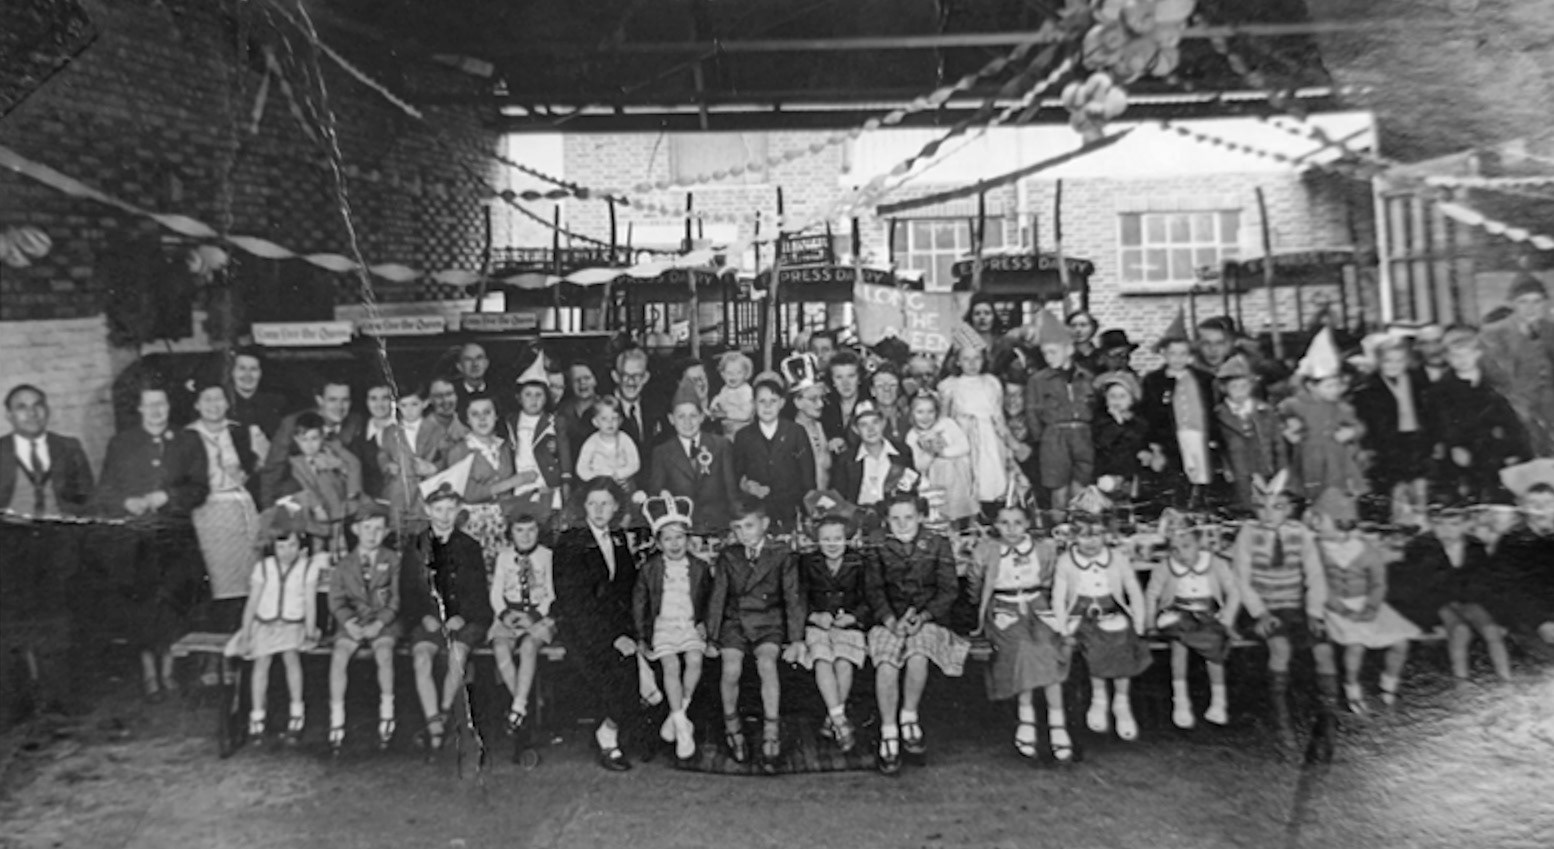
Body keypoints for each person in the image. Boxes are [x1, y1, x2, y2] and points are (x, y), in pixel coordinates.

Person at [92, 381, 210, 701]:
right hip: (136, 538)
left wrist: (166, 496)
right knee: (141, 603)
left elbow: (199, 488)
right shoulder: (122, 443)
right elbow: (106, 489)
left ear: (170, 407)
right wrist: (125, 502)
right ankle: (149, 674)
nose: (157, 411)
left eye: (163, 405)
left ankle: (169, 671)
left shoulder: (188, 440)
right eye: (150, 405)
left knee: (173, 602)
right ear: (139, 409)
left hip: (175, 536)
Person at [1, 384, 94, 717]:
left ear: (47, 409)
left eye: (38, 405)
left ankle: (60, 703)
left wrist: (71, 533)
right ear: (9, 415)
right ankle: (17, 705)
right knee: (11, 630)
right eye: (22, 407)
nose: (31, 412)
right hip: (10, 553)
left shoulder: (68, 448)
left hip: (58, 549)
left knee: (58, 626)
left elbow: (87, 499)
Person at [551, 478, 649, 771]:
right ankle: (607, 735)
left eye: (605, 503)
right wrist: (613, 638)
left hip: (614, 627)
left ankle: (633, 731)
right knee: (620, 666)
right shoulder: (571, 542)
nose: (598, 509)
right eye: (592, 503)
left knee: (647, 657)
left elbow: (626, 591)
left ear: (616, 507)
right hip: (582, 629)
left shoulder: (617, 539)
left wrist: (632, 633)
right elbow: (575, 602)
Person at [865, 494, 967, 775]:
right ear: (886, 521)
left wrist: (922, 617)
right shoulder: (877, 545)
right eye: (895, 519)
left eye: (908, 517)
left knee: (918, 656)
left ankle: (909, 716)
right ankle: (888, 731)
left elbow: (948, 591)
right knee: (886, 663)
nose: (902, 524)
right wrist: (889, 619)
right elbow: (873, 589)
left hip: (927, 618)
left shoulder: (938, 543)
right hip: (890, 620)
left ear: (921, 517)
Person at [1231, 470, 1332, 754]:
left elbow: (1315, 575)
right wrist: (1260, 613)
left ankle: (1328, 725)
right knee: (1281, 648)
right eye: (1262, 507)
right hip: (1263, 609)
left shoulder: (1301, 533)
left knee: (1323, 650)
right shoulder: (1249, 533)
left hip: (1296, 609)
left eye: (1277, 507)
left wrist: (1314, 612)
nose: (1268, 514)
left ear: (1291, 508)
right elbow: (1242, 577)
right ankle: (1283, 727)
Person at [970, 501, 1072, 762]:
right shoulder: (987, 550)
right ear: (995, 525)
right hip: (1003, 607)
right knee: (1023, 648)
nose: (1011, 529)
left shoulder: (1042, 549)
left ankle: (1057, 721)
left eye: (1017, 522)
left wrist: (1041, 605)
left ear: (1027, 524)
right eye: (1004, 523)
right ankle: (1027, 718)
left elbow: (1048, 580)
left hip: (1037, 604)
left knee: (1048, 647)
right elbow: (975, 584)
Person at [707, 500, 802, 770]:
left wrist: (795, 640)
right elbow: (718, 597)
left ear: (764, 524)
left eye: (749, 525)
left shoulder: (781, 554)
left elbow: (793, 598)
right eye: (737, 528)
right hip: (735, 622)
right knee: (731, 668)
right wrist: (712, 638)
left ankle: (772, 728)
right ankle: (732, 724)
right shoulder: (729, 555)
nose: (743, 533)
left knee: (767, 664)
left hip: (768, 623)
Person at [1051, 488, 1151, 742]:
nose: (1091, 542)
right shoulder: (1066, 561)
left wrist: (1139, 621)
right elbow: (1058, 598)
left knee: (1121, 637)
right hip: (1081, 616)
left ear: (1106, 533)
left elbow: (1133, 590)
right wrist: (1062, 628)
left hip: (1112, 612)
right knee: (1095, 644)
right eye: (1083, 536)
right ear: (1073, 535)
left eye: (1097, 535)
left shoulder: (1116, 558)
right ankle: (1099, 698)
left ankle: (1121, 701)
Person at [1309, 488, 1419, 714]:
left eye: (1320, 519)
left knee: (1401, 642)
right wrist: (1340, 609)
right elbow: (1319, 584)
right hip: (1335, 605)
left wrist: (1371, 607)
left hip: (1368, 602)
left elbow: (1379, 583)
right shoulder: (1316, 549)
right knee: (1355, 645)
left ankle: (1388, 687)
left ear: (1339, 522)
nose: (1315, 524)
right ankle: (1352, 690)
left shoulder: (1364, 550)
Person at [400, 484, 490, 752]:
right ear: (427, 510)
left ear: (458, 511)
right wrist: (423, 617)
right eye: (438, 509)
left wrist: (461, 616)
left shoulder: (469, 547)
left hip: (464, 621)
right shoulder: (415, 546)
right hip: (429, 620)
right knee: (422, 657)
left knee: (457, 655)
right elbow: (407, 591)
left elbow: (478, 591)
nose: (444, 515)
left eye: (450, 509)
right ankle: (434, 725)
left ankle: (443, 711)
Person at [230, 507, 320, 745]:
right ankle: (257, 717)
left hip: (293, 625)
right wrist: (247, 634)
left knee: (292, 658)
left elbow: (310, 602)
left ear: (300, 545)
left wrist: (310, 630)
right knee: (261, 662)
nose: (286, 552)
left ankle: (296, 713)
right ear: (273, 547)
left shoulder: (308, 567)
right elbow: (252, 604)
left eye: (291, 546)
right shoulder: (263, 568)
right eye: (281, 547)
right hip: (265, 624)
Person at [633, 493, 712, 761]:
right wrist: (642, 636)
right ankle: (682, 725)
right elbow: (640, 603)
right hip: (663, 626)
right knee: (670, 666)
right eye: (667, 539)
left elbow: (709, 599)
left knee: (694, 659)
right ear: (658, 542)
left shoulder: (700, 567)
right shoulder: (651, 568)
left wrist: (705, 624)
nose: (674, 544)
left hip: (689, 624)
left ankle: (675, 716)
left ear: (688, 539)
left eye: (679, 537)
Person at [1147, 510, 1240, 730]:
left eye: (1187, 545)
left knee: (1214, 645)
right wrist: (1150, 621)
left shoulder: (1215, 563)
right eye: (1175, 549)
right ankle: (1181, 701)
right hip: (1177, 613)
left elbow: (1233, 591)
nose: (1181, 554)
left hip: (1207, 614)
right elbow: (1152, 594)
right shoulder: (1165, 567)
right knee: (1179, 645)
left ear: (1199, 541)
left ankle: (1219, 700)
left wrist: (1226, 617)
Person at [1397, 504, 1508, 682]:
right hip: (1433, 604)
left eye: (1454, 524)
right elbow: (1418, 587)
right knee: (1460, 630)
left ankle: (1506, 679)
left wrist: (1471, 604)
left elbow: (1484, 581)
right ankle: (1461, 682)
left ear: (1465, 525)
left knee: (1491, 629)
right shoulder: (1421, 546)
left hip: (1467, 600)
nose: (1447, 530)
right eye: (1441, 524)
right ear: (1433, 524)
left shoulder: (1474, 545)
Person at [186, 379, 261, 639]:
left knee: (248, 579)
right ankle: (220, 650)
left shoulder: (242, 432)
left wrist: (247, 472)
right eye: (207, 400)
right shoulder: (186, 436)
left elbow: (263, 465)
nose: (214, 406)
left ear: (228, 403)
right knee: (219, 581)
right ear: (196, 404)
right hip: (208, 512)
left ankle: (247, 643)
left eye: (219, 399)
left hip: (241, 509)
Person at [325, 501, 399, 753]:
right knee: (339, 656)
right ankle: (337, 718)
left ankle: (387, 712)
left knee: (385, 654)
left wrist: (380, 623)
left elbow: (397, 599)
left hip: (383, 622)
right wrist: (349, 623)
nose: (372, 534)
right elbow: (336, 599)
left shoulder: (393, 560)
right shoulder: (345, 564)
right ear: (356, 530)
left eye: (378, 529)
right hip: (354, 623)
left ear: (387, 532)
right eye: (366, 528)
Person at [1430, 327, 1529, 504]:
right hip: (1462, 454)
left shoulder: (1493, 384)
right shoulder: (1440, 390)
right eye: (1456, 356)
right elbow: (1441, 423)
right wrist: (1454, 445)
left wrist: (1514, 450)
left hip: (1494, 452)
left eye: (1467, 354)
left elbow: (1511, 422)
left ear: (1477, 354)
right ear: (1448, 358)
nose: (1462, 360)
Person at [798, 514, 870, 753]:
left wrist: (854, 617)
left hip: (847, 625)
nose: (832, 544)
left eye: (837, 538)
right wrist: (814, 615)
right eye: (825, 539)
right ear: (816, 541)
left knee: (843, 662)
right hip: (818, 625)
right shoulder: (808, 563)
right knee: (821, 659)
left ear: (847, 539)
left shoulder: (858, 562)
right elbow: (798, 597)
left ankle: (833, 718)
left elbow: (870, 598)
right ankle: (840, 719)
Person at [1278, 330, 1366, 503]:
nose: (1336, 390)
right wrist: (1288, 429)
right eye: (1329, 386)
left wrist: (1352, 432)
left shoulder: (1341, 407)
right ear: (1311, 386)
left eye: (1337, 385)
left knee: (1335, 489)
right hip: (1307, 453)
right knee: (1310, 488)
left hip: (1334, 455)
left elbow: (1358, 426)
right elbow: (1278, 418)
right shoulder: (1295, 404)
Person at [1140, 314, 1217, 509]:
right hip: (1172, 436)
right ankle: (1178, 510)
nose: (1178, 359)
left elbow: (1210, 407)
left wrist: (1214, 435)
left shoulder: (1203, 378)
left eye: (1183, 354)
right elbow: (1150, 412)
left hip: (1198, 434)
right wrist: (1153, 441)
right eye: (1173, 353)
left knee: (1201, 474)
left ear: (1190, 355)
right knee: (1176, 475)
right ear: (1164, 354)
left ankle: (1199, 507)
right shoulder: (1154, 380)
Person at [488, 512, 556, 735]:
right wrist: (505, 614)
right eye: (519, 530)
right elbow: (496, 593)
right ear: (511, 533)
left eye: (531, 530)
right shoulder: (504, 557)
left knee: (528, 647)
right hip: (511, 612)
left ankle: (517, 708)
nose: (526, 536)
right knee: (500, 646)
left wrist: (534, 617)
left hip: (539, 614)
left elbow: (551, 594)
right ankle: (523, 705)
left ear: (539, 532)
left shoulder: (547, 556)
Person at [1024, 309, 1096, 514]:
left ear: (1070, 350)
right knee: (1059, 491)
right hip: (1054, 438)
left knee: (1081, 489)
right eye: (1045, 353)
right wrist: (1044, 438)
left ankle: (1078, 531)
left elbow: (1095, 407)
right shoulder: (1038, 380)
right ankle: (1059, 535)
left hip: (1084, 437)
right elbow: (1032, 414)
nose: (1048, 357)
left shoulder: (1087, 377)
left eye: (1053, 352)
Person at [1353, 337, 1432, 523]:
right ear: (1379, 362)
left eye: (1399, 360)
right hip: (1387, 447)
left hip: (1416, 443)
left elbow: (1429, 413)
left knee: (1419, 491)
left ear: (1407, 361)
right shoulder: (1367, 390)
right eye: (1388, 360)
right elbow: (1367, 426)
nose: (1393, 365)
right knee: (1394, 493)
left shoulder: (1418, 382)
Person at [647, 380, 739, 534]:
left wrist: (735, 526)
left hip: (719, 526)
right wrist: (662, 493)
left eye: (693, 416)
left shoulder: (721, 445)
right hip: (683, 531)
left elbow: (732, 491)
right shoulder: (662, 452)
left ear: (702, 417)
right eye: (681, 416)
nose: (687, 422)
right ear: (671, 419)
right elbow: (655, 492)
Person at [1482, 469, 1554, 665]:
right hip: (1528, 617)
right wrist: (1540, 621)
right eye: (1534, 504)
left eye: (1548, 504)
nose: (1541, 510)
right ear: (1523, 507)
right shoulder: (1512, 543)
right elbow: (1509, 591)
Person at [939, 343, 1020, 516]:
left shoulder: (991, 382)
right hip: (964, 437)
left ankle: (992, 515)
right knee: (966, 480)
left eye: (977, 358)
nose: (972, 363)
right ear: (958, 362)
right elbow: (944, 419)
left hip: (989, 436)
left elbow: (998, 415)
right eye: (966, 359)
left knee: (992, 477)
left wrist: (1008, 442)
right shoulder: (950, 385)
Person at [272, 411, 362, 564]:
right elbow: (307, 487)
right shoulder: (296, 463)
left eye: (314, 438)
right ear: (296, 440)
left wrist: (338, 465)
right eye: (304, 440)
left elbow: (354, 466)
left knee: (341, 548)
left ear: (322, 437)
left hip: (339, 508)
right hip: (316, 516)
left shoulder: (333, 450)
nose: (309, 445)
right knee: (318, 550)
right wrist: (318, 507)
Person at [1480, 272, 1554, 457]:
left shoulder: (1550, 331)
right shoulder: (1493, 334)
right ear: (1512, 303)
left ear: (1546, 304)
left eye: (1537, 301)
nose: (1531, 308)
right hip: (1515, 409)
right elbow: (1497, 378)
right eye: (1523, 301)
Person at [261, 377, 364, 508]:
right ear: (319, 400)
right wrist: (268, 509)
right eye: (332, 400)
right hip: (303, 496)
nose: (339, 407)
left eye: (345, 400)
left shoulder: (356, 423)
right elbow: (274, 469)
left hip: (341, 497)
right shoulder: (293, 423)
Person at [732, 376, 816, 531]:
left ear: (782, 403)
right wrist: (747, 486)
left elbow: (808, 476)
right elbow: (737, 475)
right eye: (762, 401)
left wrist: (807, 514)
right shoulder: (743, 436)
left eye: (773, 401)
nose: (767, 407)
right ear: (753, 404)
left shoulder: (796, 432)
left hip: (790, 510)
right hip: (758, 511)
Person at [831, 400, 919, 533]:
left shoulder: (902, 452)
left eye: (875, 422)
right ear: (855, 429)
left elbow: (912, 489)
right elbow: (840, 498)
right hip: (861, 522)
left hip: (895, 521)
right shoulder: (846, 459)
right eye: (863, 425)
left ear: (883, 423)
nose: (871, 429)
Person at [505, 357, 574, 522]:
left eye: (539, 395)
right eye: (528, 395)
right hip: (521, 481)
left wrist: (566, 480)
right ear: (519, 398)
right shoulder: (511, 421)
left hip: (546, 481)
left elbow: (564, 451)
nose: (533, 400)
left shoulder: (554, 421)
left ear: (546, 397)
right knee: (524, 519)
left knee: (550, 519)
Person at [1215, 355, 1286, 514]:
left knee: (1269, 510)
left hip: (1267, 472)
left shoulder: (1264, 411)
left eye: (1244, 386)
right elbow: (1219, 448)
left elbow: (1278, 443)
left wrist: (1282, 470)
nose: (1240, 392)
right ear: (1224, 388)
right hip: (1239, 474)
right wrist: (1225, 469)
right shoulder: (1218, 416)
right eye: (1235, 387)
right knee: (1245, 511)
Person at [377, 382, 447, 538]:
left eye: (414, 404)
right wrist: (387, 465)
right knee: (400, 534)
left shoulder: (437, 430)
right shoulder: (390, 431)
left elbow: (447, 458)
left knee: (427, 533)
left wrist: (434, 468)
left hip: (427, 489)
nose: (409, 410)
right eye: (404, 405)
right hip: (400, 490)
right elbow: (383, 454)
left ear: (425, 403)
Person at [904, 392, 977, 524]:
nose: (925, 417)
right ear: (911, 413)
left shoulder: (947, 424)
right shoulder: (912, 436)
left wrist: (942, 452)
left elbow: (964, 446)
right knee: (940, 513)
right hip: (935, 480)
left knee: (962, 512)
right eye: (920, 412)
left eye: (930, 412)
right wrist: (931, 452)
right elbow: (919, 465)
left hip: (958, 477)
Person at [1091, 370, 1156, 510]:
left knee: (1130, 505)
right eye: (1112, 396)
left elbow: (1139, 440)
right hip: (1109, 471)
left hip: (1132, 473)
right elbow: (1103, 442)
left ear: (1131, 400)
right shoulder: (1102, 422)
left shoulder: (1138, 422)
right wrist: (1117, 423)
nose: (1117, 401)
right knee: (1108, 503)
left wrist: (1146, 452)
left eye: (1122, 396)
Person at [784, 353, 832, 491]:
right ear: (797, 402)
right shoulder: (787, 434)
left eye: (822, 398)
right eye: (813, 399)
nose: (820, 404)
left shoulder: (825, 428)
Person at [575, 396, 642, 494]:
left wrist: (619, 474)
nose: (609, 423)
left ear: (620, 421)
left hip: (620, 482)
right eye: (604, 419)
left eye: (614, 418)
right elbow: (581, 468)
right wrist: (595, 478)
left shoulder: (625, 439)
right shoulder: (591, 442)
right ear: (595, 422)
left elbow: (634, 463)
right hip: (597, 484)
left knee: (632, 495)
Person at [227, 348, 285, 461]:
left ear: (260, 373)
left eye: (253, 369)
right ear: (232, 372)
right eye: (242, 368)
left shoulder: (276, 405)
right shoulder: (221, 406)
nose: (248, 375)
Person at [613, 346, 665, 459]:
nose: (631, 382)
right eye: (625, 375)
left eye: (637, 376)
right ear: (616, 376)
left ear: (646, 378)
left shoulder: (657, 408)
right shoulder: (603, 410)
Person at [820, 350, 869, 446]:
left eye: (851, 376)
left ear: (859, 378)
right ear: (832, 381)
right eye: (839, 377)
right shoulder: (824, 406)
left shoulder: (870, 404)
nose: (845, 383)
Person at [359, 380, 397, 499]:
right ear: (366, 402)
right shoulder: (358, 432)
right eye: (373, 399)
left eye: (385, 398)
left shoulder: (406, 427)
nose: (379, 404)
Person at [558, 360, 602, 463]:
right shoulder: (562, 410)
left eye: (587, 378)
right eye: (576, 379)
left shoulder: (606, 408)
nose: (582, 383)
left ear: (595, 380)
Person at [710, 351, 755, 438]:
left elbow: (746, 414)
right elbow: (719, 400)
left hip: (743, 428)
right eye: (729, 373)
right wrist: (714, 408)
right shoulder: (725, 389)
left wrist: (726, 414)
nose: (733, 377)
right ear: (722, 374)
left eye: (738, 373)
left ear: (745, 374)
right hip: (727, 428)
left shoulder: (746, 391)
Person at [870, 364, 911, 444]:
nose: (887, 389)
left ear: (899, 389)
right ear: (873, 391)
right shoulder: (864, 420)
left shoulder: (911, 418)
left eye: (892, 385)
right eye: (880, 385)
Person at [451, 342, 494, 416]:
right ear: (459, 366)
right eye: (468, 359)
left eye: (479, 358)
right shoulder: (450, 395)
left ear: (486, 363)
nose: (474, 364)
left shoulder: (500, 393)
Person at [427, 377, 469, 443]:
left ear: (456, 396)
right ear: (430, 399)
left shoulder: (469, 427)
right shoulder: (421, 430)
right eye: (439, 396)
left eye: (449, 394)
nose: (445, 400)